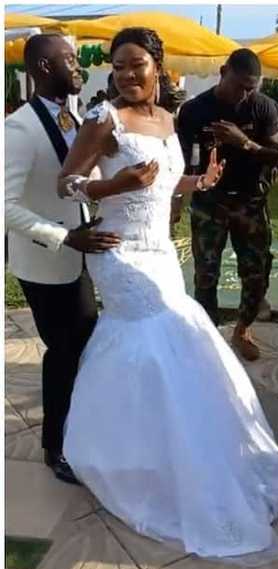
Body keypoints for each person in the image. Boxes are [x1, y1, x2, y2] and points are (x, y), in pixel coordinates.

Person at [56, 27, 278, 564]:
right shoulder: (104, 119)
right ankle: (128, 459)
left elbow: (161, 180)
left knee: (178, 342)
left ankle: (175, 456)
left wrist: (197, 182)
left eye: (136, 64)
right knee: (148, 347)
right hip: (118, 252)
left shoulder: (168, 118)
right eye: (118, 66)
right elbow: (66, 182)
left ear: (159, 67)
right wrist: (109, 187)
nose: (125, 74)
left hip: (161, 253)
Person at [5, 34, 116, 485]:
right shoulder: (18, 129)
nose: (77, 66)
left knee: (84, 344)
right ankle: (56, 446)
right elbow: (5, 204)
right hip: (46, 262)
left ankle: (79, 428)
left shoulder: (75, 117)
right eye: (68, 59)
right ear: (42, 68)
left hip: (81, 256)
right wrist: (64, 236)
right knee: (64, 350)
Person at [177, 48, 278, 361]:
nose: (245, 93)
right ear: (223, 72)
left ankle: (242, 329)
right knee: (205, 271)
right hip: (209, 202)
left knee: (255, 272)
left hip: (250, 201)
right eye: (240, 85)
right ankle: (207, 334)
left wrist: (244, 142)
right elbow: (181, 159)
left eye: (252, 87)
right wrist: (176, 199)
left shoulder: (264, 107)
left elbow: (277, 153)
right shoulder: (195, 110)